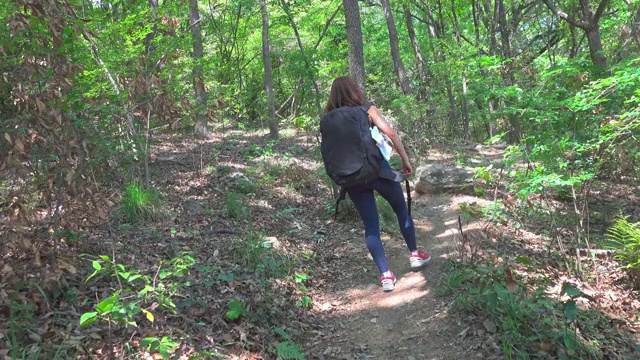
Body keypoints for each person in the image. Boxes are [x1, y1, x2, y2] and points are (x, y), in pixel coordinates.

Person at [325, 76, 431, 292]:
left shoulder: (327, 119)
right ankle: (414, 254)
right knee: (402, 210)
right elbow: (389, 132)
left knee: (371, 226)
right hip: (378, 171)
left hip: (352, 179)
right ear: (354, 90)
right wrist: (405, 160)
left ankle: (385, 276)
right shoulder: (366, 109)